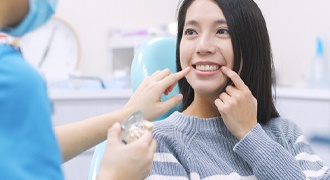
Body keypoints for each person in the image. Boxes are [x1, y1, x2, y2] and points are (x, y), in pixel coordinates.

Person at [0, 0, 191, 179]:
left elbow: (31, 146)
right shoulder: (14, 80)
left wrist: (128, 114)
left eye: (221, 31)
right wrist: (113, 175)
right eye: (191, 32)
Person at [147, 0, 330, 179]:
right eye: (191, 31)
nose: (202, 47)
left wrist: (250, 134)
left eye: (222, 31)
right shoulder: (160, 141)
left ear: (251, 46)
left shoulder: (286, 133)